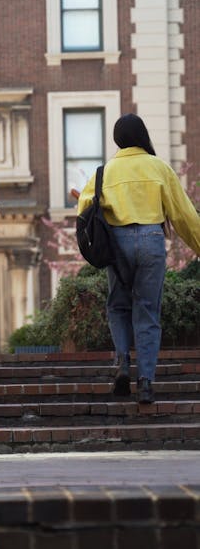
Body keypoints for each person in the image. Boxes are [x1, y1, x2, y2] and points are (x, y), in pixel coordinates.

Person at [77, 113, 200, 404]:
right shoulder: (159, 167)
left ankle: (122, 363)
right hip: (151, 240)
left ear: (117, 140)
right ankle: (145, 382)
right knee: (147, 312)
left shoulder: (104, 172)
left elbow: (84, 206)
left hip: (116, 244)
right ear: (143, 136)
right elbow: (183, 215)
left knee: (118, 307)